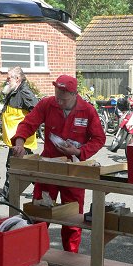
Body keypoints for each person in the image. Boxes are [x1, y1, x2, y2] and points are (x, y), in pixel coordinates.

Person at [11, 74, 106, 255]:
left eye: (63, 99)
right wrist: (20, 142)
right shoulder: (47, 104)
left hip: (74, 170)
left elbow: (99, 138)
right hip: (48, 168)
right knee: (40, 213)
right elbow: (28, 123)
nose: (59, 102)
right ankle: (33, 254)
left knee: (72, 217)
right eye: (57, 97)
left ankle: (70, 257)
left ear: (74, 94)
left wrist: (79, 152)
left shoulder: (87, 110)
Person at [0, 66, 38, 204]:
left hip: (21, 139)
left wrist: (25, 130)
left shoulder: (24, 92)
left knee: (12, 166)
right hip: (15, 138)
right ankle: (41, 188)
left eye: (9, 78)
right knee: (28, 166)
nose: (6, 80)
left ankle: (6, 196)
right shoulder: (13, 91)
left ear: (17, 79)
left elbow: (37, 112)